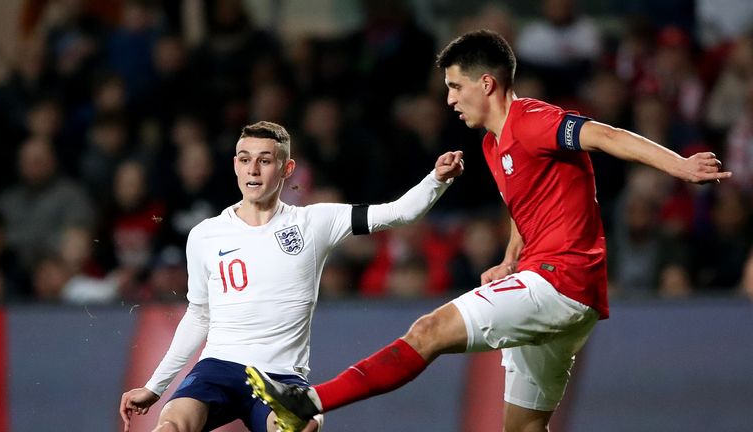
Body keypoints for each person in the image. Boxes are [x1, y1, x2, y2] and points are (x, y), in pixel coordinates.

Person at [244, 30, 732, 432]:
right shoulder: (493, 147)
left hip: (560, 281)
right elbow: (528, 209)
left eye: (456, 87)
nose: (450, 99)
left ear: (487, 83)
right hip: (562, 290)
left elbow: (607, 136)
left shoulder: (535, 120)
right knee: (522, 429)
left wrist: (681, 166)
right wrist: (508, 259)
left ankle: (307, 401)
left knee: (428, 331)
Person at [119, 120, 464, 432]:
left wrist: (436, 179)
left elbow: (399, 213)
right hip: (217, 369)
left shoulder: (314, 223)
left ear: (287, 168)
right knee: (170, 427)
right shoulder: (205, 235)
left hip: (281, 377)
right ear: (234, 165)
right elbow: (199, 315)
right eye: (244, 158)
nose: (253, 169)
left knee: (301, 428)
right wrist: (155, 387)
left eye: (265, 160)